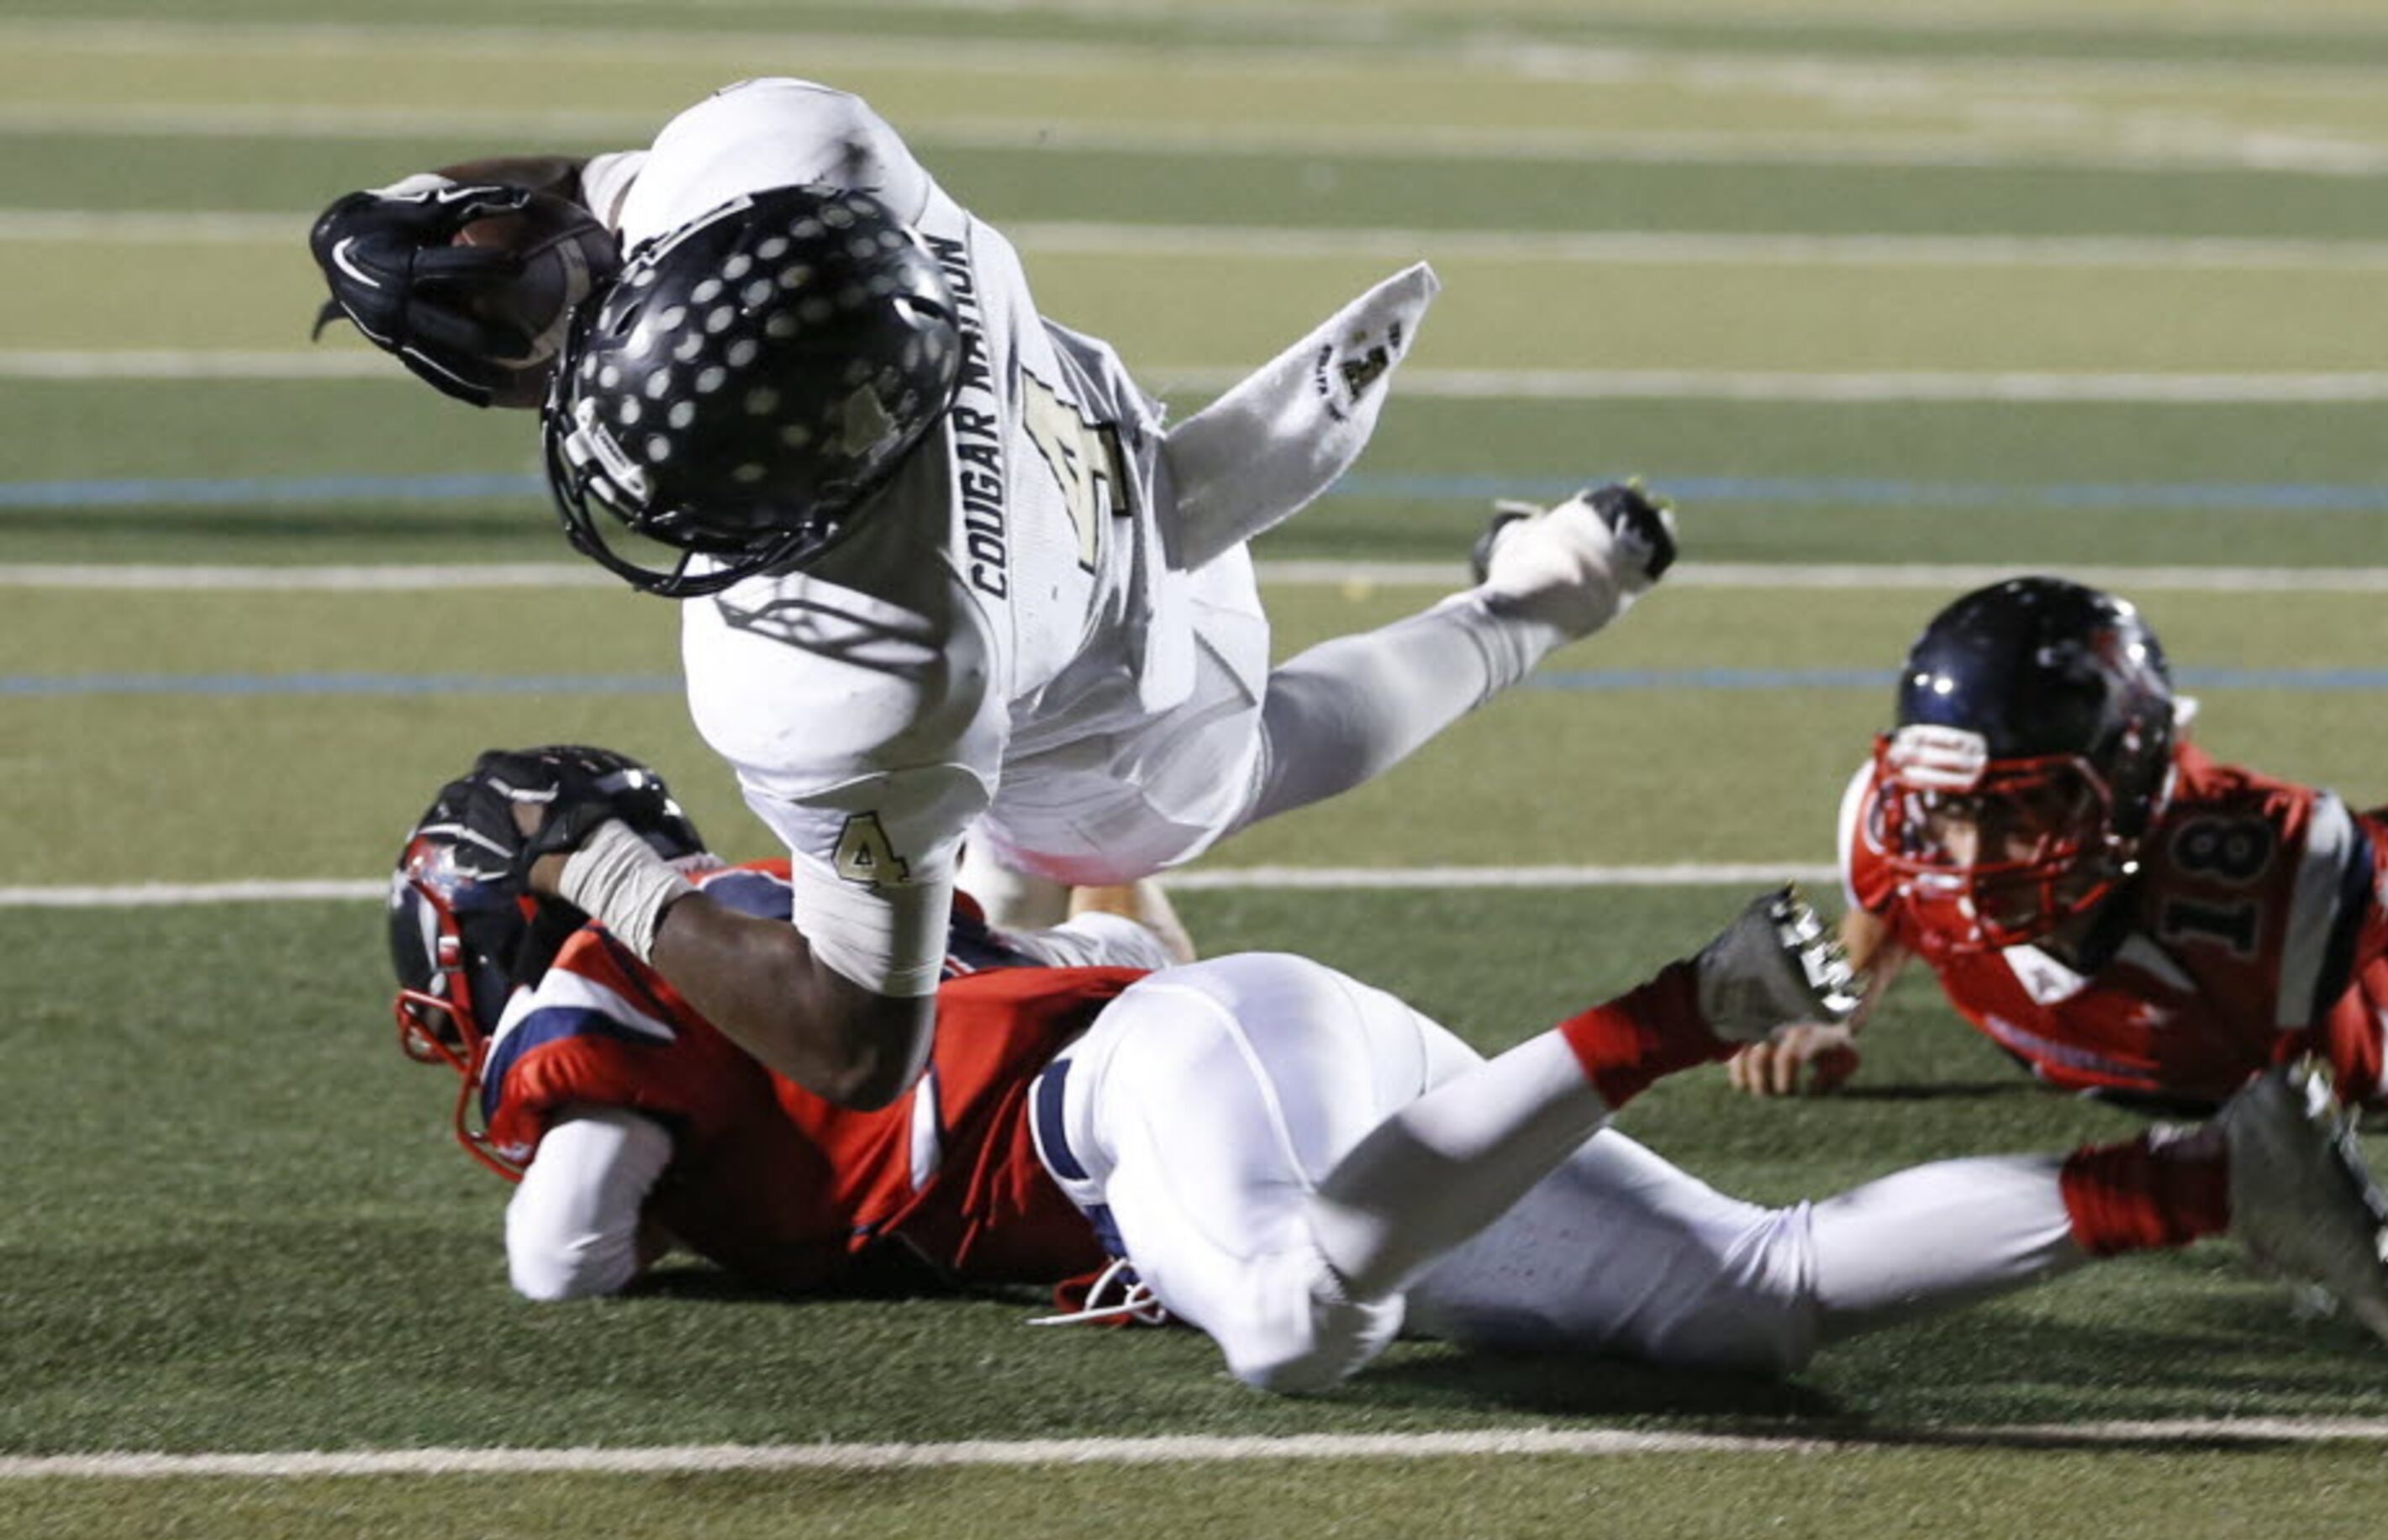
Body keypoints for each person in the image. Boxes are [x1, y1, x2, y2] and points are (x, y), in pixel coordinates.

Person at [317, 76, 1676, 1113]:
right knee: (985, 797)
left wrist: (606, 869)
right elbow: (579, 193)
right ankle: (1553, 578)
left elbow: (857, 1040)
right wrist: (435, 239)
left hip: (1135, 702)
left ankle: (1541, 601)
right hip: (1111, 466)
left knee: (1237, 767)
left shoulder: (846, 669)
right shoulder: (803, 152)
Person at [389, 746, 2388, 1386]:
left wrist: (669, 1216)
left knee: (1295, 1326)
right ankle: (2204, 1182)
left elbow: (567, 1255)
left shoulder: (599, 983)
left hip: (1154, 1088)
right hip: (1247, 1043)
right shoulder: (785, 924)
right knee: (1745, 1302)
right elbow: (1096, 924)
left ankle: (1675, 1008)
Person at [1728, 575, 2388, 1152]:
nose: (1967, 860)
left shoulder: (2277, 867)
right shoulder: (1900, 824)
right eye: (1952, 810)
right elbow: (1895, 899)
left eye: (2018, 812)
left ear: (2126, 782)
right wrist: (1837, 1007)